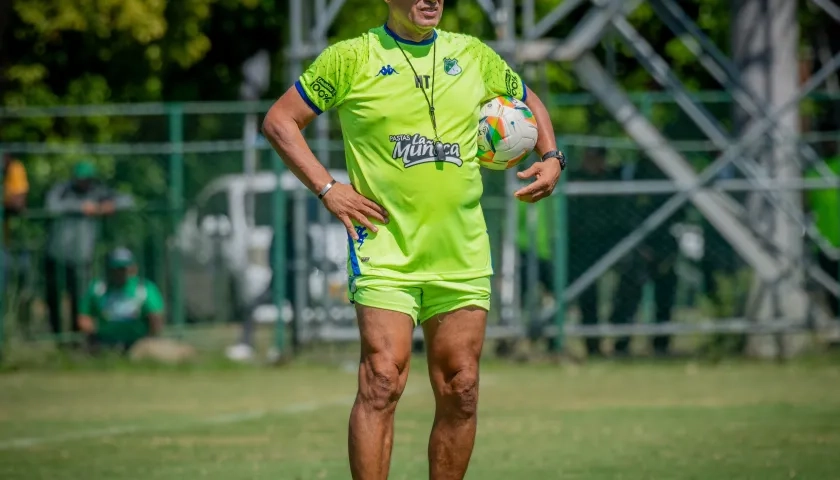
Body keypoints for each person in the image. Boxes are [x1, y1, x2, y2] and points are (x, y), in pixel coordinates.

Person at [261, 1, 563, 478]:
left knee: (461, 388)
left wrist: (552, 156)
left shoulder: (474, 54)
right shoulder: (350, 58)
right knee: (381, 380)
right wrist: (327, 188)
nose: (430, 0)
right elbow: (280, 121)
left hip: (461, 249)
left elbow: (530, 101)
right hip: (384, 247)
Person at [44, 161, 134, 343]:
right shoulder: (63, 190)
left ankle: (78, 340)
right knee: (54, 298)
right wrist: (81, 208)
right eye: (82, 180)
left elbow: (128, 200)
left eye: (88, 180)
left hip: (81, 257)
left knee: (79, 300)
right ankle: (58, 339)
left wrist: (111, 205)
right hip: (57, 254)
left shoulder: (98, 192)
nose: (85, 183)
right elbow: (51, 206)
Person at [566, 147, 623, 357]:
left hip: (609, 241)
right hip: (581, 245)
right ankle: (592, 345)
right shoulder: (573, 178)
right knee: (587, 297)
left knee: (628, 281)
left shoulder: (611, 180)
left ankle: (621, 338)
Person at [77, 247, 165, 353]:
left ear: (132, 268)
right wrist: (93, 333)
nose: (120, 273)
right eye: (116, 269)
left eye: (123, 269)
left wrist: (149, 339)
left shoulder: (143, 289)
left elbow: (156, 317)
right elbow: (84, 317)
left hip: (137, 343)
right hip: (104, 341)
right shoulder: (98, 289)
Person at [805, 153, 840, 319]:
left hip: (826, 240)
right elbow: (807, 205)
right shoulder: (813, 173)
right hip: (825, 241)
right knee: (831, 285)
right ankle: (835, 319)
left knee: (832, 285)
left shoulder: (814, 172)